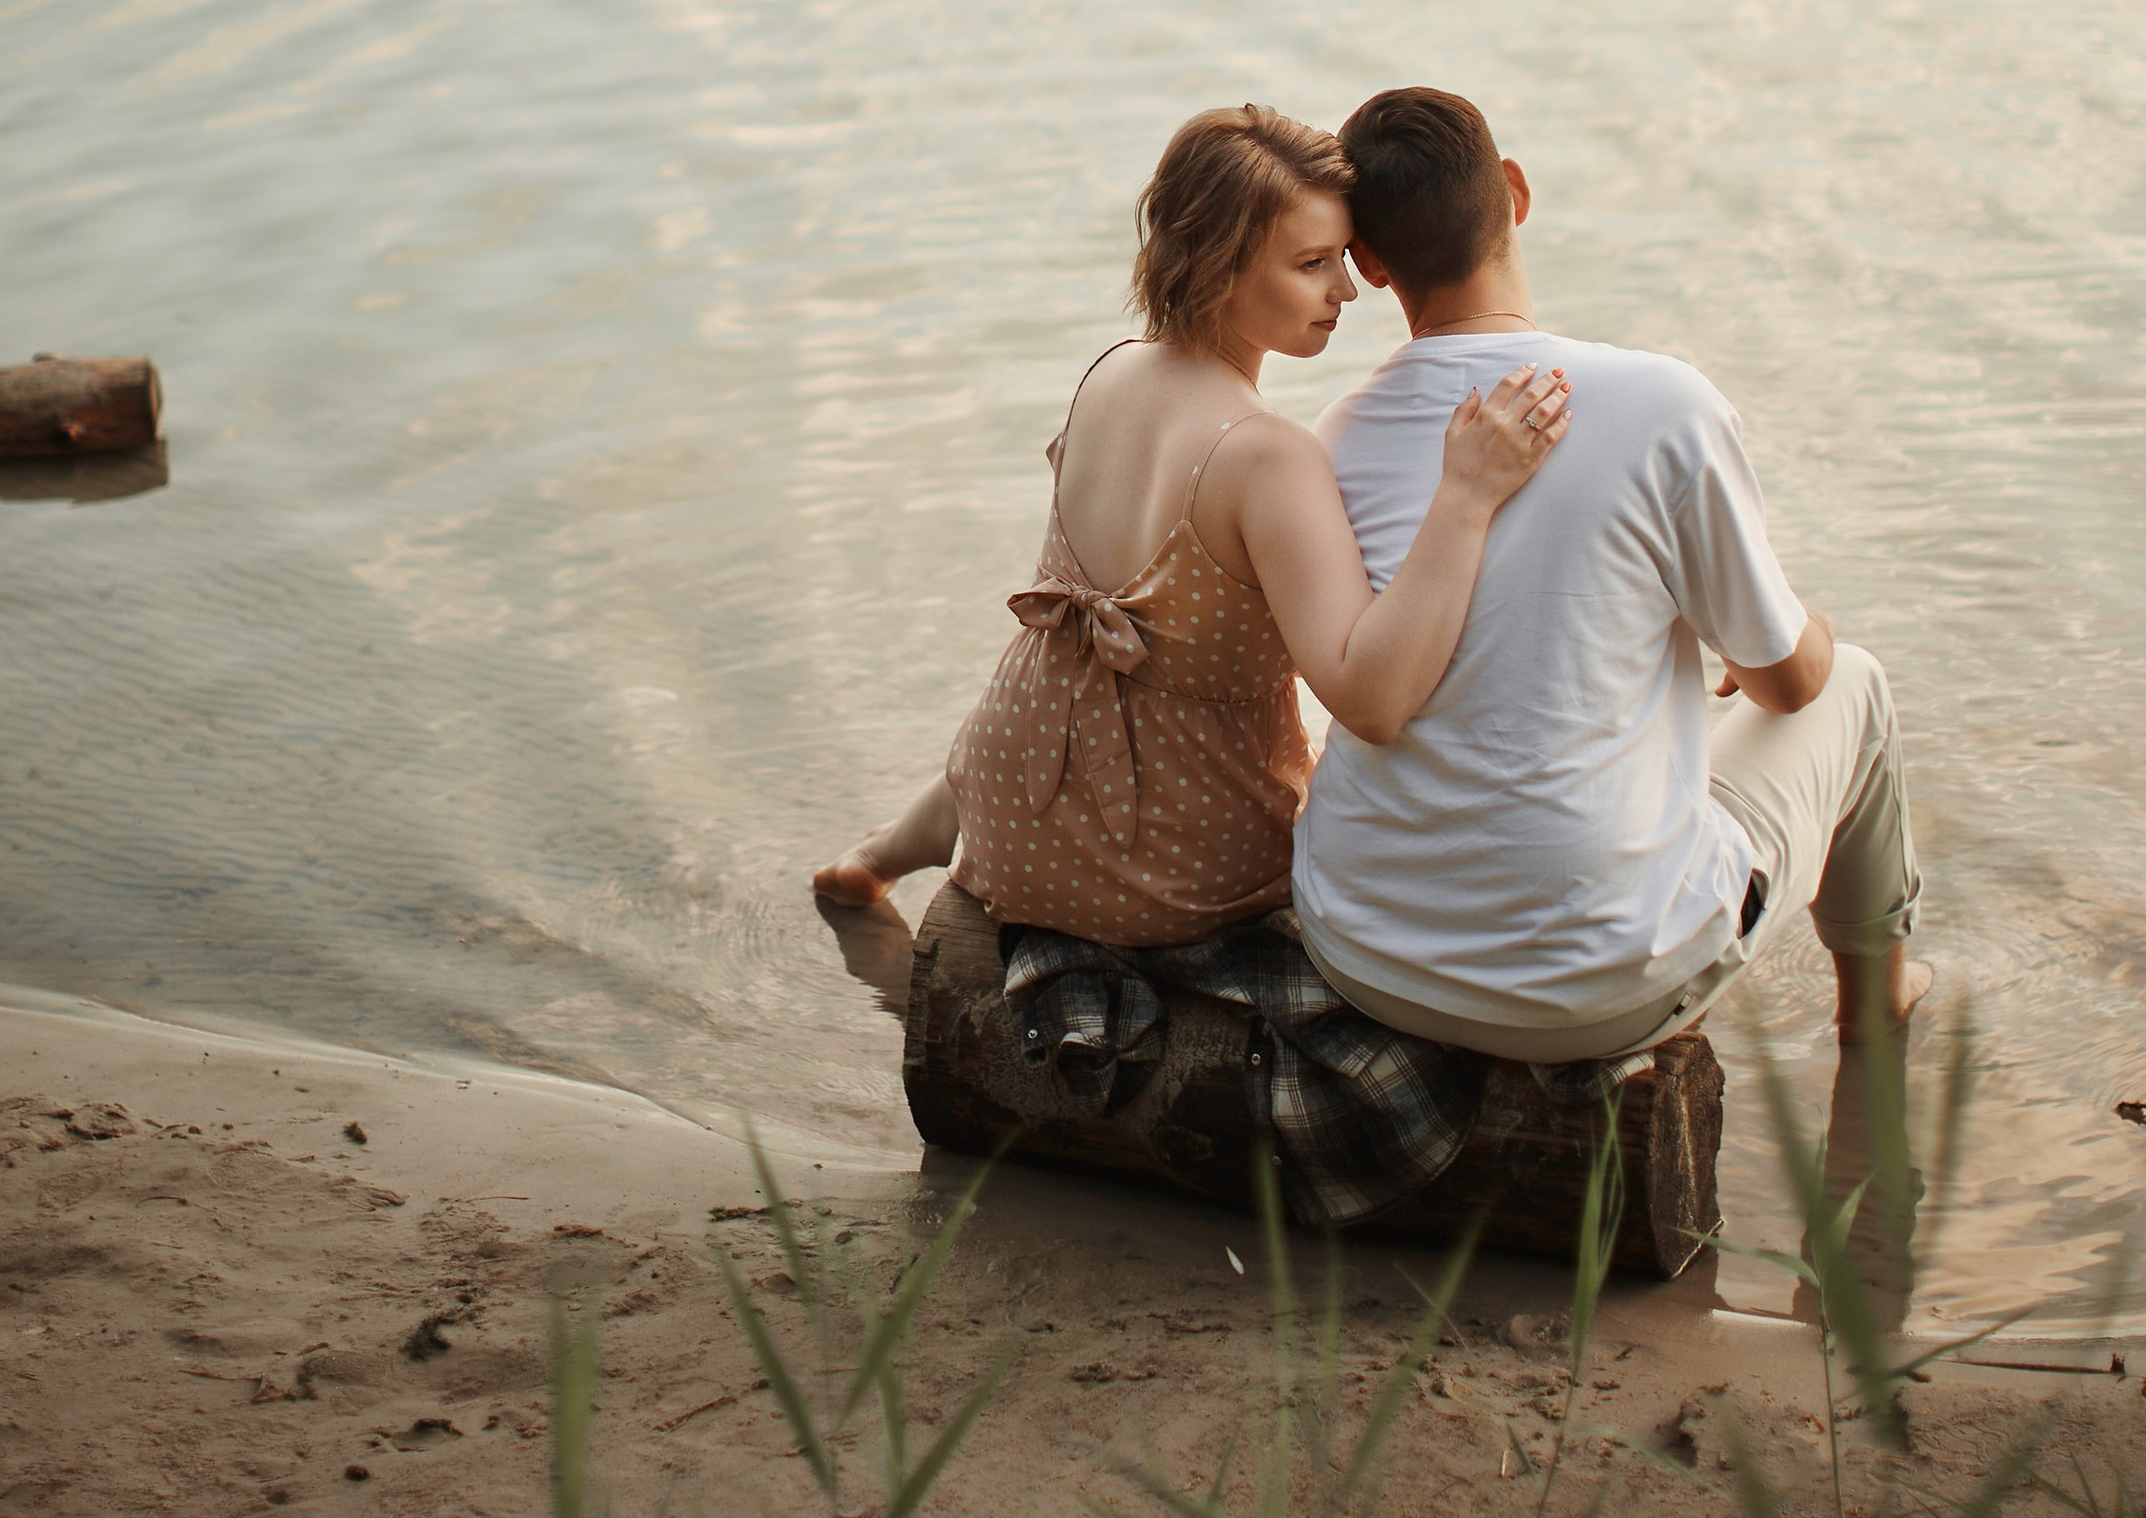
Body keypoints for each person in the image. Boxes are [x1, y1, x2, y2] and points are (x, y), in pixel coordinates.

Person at [815, 102, 1568, 939]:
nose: (1346, 290)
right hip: (1164, 871)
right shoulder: (1266, 455)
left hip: (1008, 792)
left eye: (1344, 258)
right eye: (1313, 264)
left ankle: (884, 853)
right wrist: (1463, 498)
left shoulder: (1112, 371)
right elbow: (1373, 700)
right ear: (1219, 269)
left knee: (1096, 666)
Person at [1292, 88, 1928, 1058]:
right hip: (1590, 994)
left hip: (1364, 954)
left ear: (1371, 265)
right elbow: (1789, 683)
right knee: (1851, 683)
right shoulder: (1661, 404)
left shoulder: (1335, 434)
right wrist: (1799, 626)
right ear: (1514, 191)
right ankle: (1874, 1001)